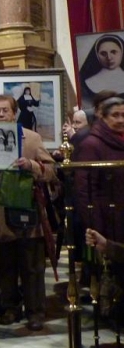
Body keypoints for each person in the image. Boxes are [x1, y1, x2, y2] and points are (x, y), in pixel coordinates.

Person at [0, 95, 58, 331]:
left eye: (5, 111)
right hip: (1, 213)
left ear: (14, 113)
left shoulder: (32, 139)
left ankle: (36, 311)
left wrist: (31, 165)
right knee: (6, 265)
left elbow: (51, 170)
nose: (1, 115)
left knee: (32, 265)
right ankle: (11, 307)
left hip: (28, 209)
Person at [74, 97, 124, 243]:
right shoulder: (91, 144)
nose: (121, 120)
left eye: (123, 115)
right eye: (115, 115)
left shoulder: (119, 140)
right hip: (107, 219)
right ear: (103, 117)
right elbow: (85, 189)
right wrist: (95, 226)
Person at [79, 34, 124, 108]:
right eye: (103, 53)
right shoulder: (86, 83)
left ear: (122, 52)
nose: (109, 57)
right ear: (96, 55)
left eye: (113, 52)